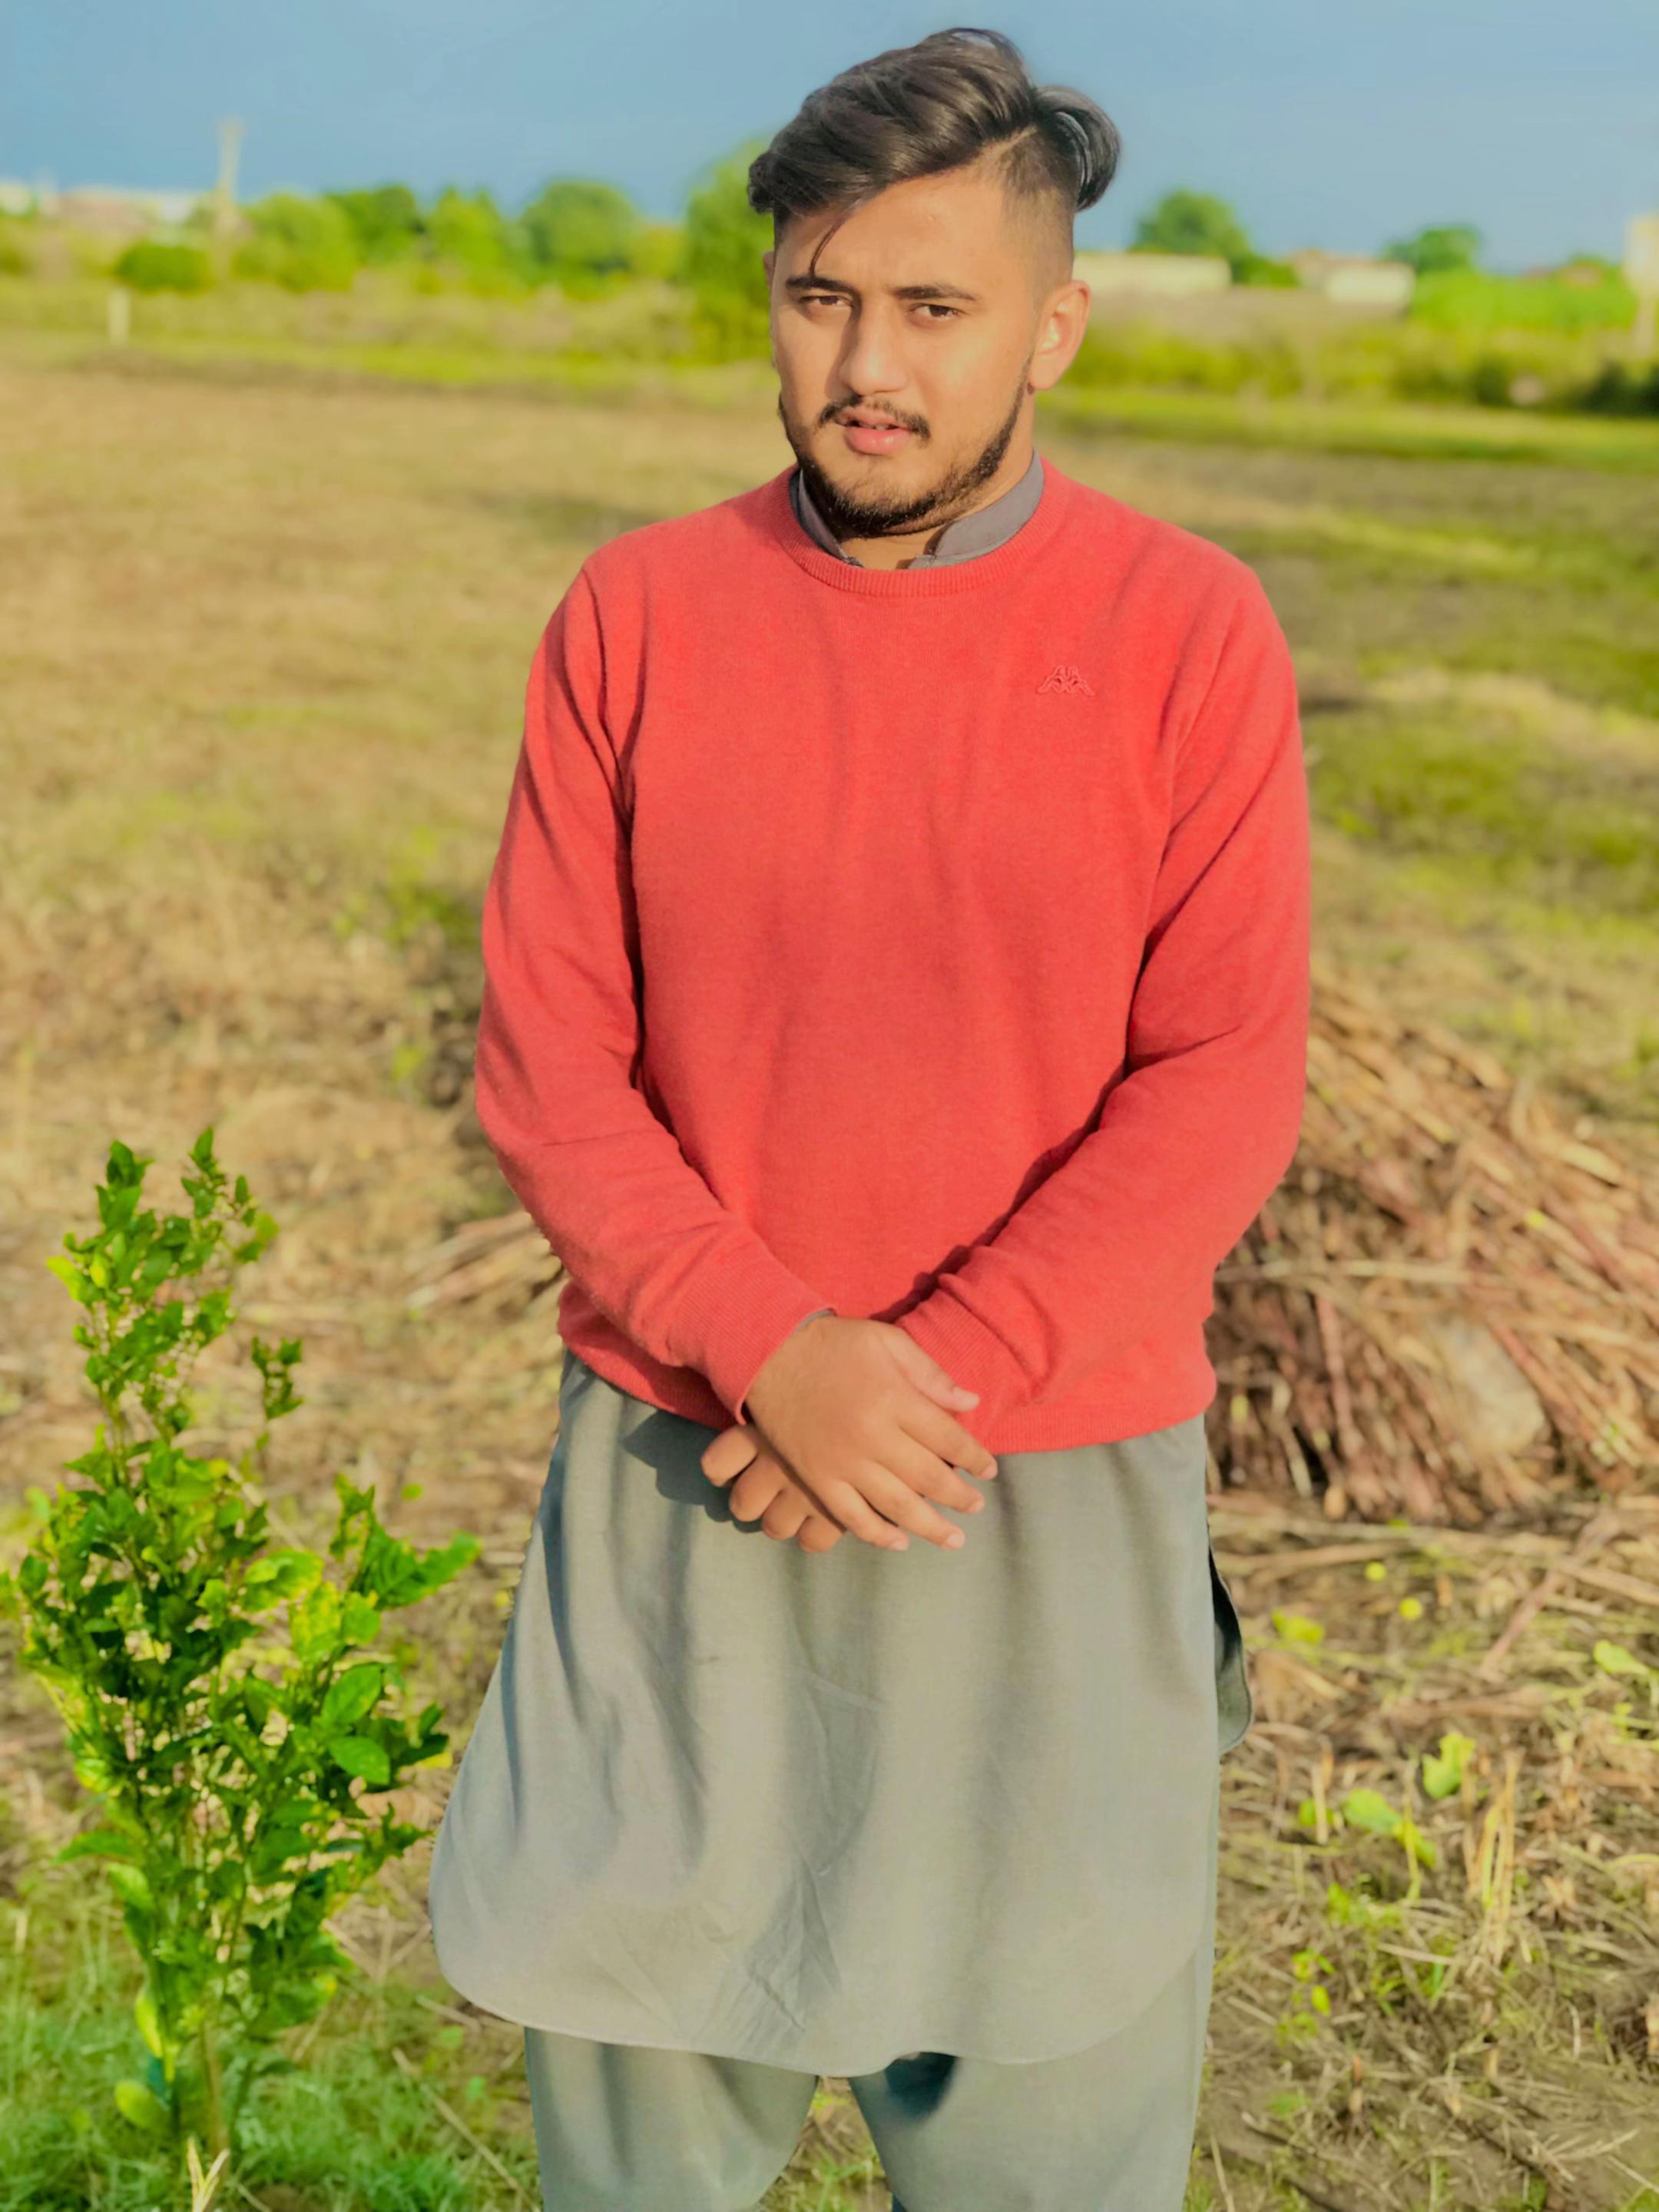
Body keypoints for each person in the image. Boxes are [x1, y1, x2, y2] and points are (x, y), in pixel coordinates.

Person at [426, 25, 1308, 2211]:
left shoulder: (1191, 633)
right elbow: (548, 1063)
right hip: (689, 1481)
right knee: (639, 2148)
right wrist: (771, 1346)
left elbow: (1220, 1079)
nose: (867, 366)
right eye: (820, 298)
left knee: (1048, 2140)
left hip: (1039, 1495)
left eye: (934, 306)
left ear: (1054, 327)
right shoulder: (636, 616)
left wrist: (926, 1378)